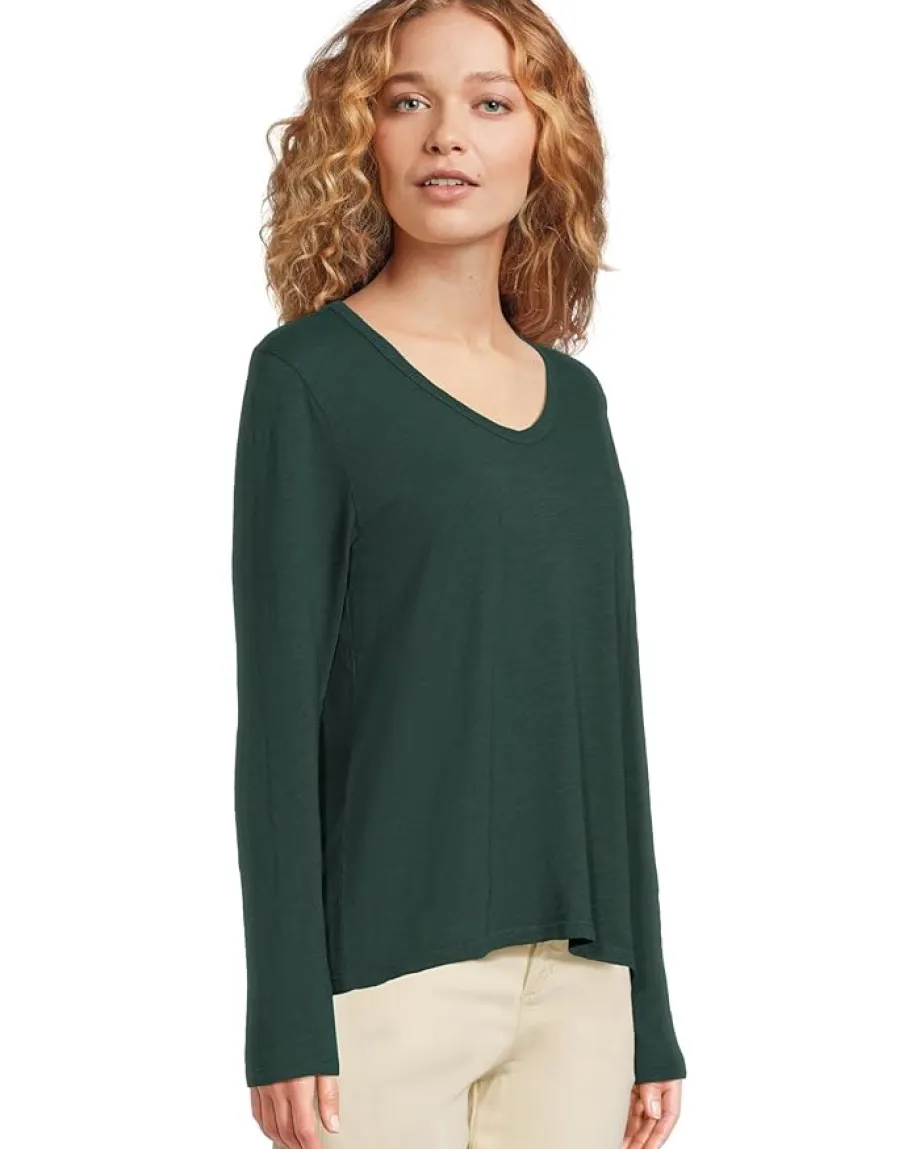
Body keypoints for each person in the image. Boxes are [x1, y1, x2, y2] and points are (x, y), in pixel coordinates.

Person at [231, 2, 687, 1147]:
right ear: (363, 136)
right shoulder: (309, 378)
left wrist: (648, 1014)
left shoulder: (575, 404)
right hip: (385, 987)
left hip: (579, 989)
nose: (447, 134)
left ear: (542, 140)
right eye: (407, 101)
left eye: (489, 102)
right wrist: (284, 1017)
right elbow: (277, 718)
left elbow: (609, 713)